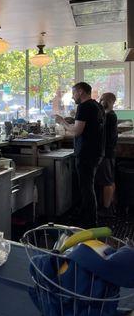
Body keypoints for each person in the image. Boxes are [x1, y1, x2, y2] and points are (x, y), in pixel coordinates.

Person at [55, 82, 105, 228]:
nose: (72, 96)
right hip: (96, 152)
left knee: (86, 188)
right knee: (89, 186)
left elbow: (77, 131)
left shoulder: (84, 107)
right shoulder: (97, 106)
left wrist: (62, 121)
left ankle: (89, 222)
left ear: (81, 92)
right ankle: (88, 217)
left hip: (86, 153)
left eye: (74, 93)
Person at [95, 92, 118, 216]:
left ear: (107, 101)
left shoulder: (109, 116)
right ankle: (110, 204)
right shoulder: (110, 115)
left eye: (101, 100)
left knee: (106, 182)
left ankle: (106, 209)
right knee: (110, 179)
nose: (100, 102)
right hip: (110, 152)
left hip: (106, 153)